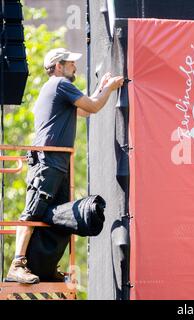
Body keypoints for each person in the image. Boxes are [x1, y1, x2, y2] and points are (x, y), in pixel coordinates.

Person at [5, 48, 124, 284]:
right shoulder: (60, 84)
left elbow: (84, 108)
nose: (74, 67)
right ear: (58, 66)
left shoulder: (57, 89)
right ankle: (17, 264)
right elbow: (92, 106)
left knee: (59, 217)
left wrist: (103, 87)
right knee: (32, 211)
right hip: (49, 159)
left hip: (57, 161)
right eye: (70, 63)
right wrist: (109, 88)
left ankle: (46, 268)